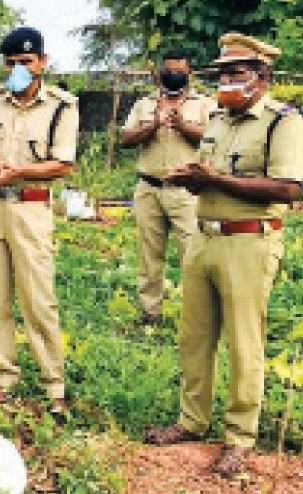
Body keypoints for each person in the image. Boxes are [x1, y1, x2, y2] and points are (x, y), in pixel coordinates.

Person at [145, 33, 303, 477]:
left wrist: (214, 181)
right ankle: (191, 421)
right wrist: (192, 178)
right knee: (194, 336)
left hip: (248, 241)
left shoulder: (282, 122)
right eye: (223, 73)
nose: (228, 80)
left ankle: (238, 437)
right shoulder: (217, 118)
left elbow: (287, 188)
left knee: (243, 342)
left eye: (238, 72)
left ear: (261, 76)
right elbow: (211, 172)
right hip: (203, 238)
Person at [0, 27, 79, 413]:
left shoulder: (62, 106)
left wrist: (15, 172)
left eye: (26, 62)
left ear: (42, 62)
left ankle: (54, 385)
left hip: (32, 208)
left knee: (38, 300)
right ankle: (4, 376)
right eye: (12, 63)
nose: (18, 69)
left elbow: (63, 164)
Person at [120, 50, 218, 328]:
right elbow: (126, 138)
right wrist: (154, 125)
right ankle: (150, 313)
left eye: (179, 70)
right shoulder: (145, 104)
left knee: (192, 253)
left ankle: (197, 317)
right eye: (168, 70)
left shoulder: (205, 104)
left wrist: (181, 124)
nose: (173, 75)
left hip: (187, 191)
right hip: (149, 188)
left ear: (190, 74)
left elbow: (214, 140)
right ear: (162, 73)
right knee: (150, 255)